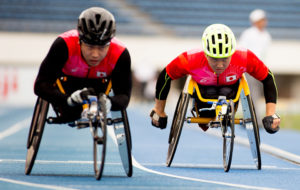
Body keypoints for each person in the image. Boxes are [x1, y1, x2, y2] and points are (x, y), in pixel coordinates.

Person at [150, 24, 280, 134]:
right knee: (205, 114)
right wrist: (159, 110)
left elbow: (268, 78)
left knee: (227, 91)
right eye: (214, 59)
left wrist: (271, 114)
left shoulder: (245, 57)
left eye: (225, 59)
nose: (219, 65)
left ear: (232, 53)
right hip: (202, 97)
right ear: (205, 53)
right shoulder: (190, 59)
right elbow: (165, 76)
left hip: (230, 94)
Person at [34, 7, 132, 123]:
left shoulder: (120, 54)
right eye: (90, 46)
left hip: (100, 89)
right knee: (72, 112)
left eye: (101, 47)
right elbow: (41, 85)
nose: (95, 54)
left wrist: (110, 102)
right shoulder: (63, 45)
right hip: (67, 89)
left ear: (110, 42)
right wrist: (67, 100)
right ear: (80, 40)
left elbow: (124, 96)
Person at [239, 9, 272, 127]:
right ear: (256, 21)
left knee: (255, 95)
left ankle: (250, 118)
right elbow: (242, 51)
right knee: (251, 94)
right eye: (262, 19)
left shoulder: (266, 35)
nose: (264, 22)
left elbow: (264, 54)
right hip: (249, 68)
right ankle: (254, 120)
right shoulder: (248, 33)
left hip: (260, 69)